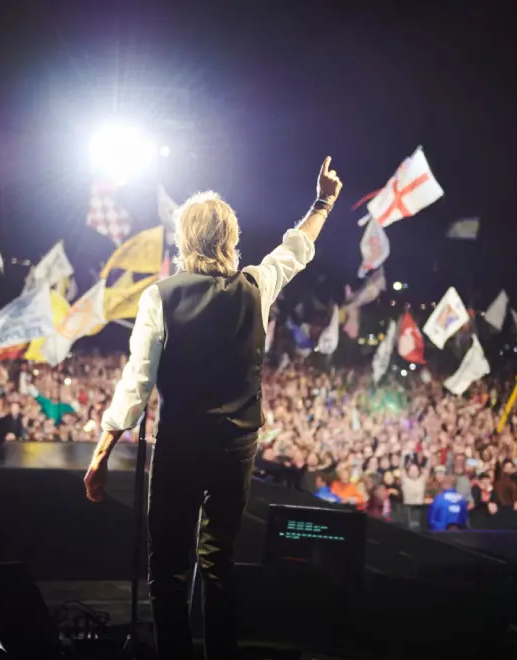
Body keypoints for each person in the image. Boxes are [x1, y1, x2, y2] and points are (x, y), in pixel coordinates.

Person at [83, 157, 343, 660]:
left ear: (185, 239)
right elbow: (297, 248)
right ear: (230, 238)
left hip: (182, 446)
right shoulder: (255, 286)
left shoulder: (161, 296)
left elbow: (137, 382)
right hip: (237, 448)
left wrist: (103, 450)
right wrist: (324, 201)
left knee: (168, 567)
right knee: (219, 561)